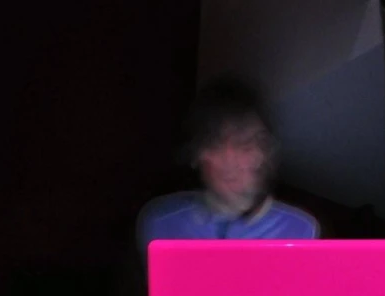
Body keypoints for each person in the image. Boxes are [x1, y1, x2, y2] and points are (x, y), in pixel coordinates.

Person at [136, 76, 319, 261]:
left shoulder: (302, 231)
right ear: (198, 153)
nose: (254, 159)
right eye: (218, 143)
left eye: (255, 141)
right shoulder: (160, 223)